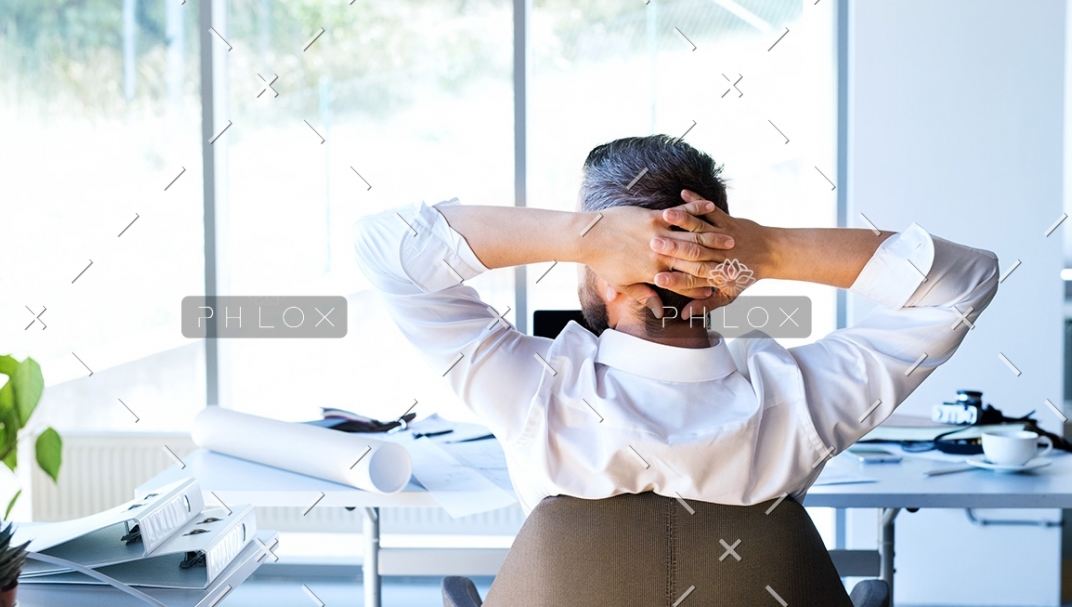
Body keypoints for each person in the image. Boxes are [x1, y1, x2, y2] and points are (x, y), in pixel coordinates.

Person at [354, 135, 998, 513]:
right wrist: (762, 249)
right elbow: (968, 282)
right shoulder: (806, 399)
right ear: (723, 278)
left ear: (600, 267)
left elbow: (385, 248)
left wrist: (585, 236)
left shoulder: (530, 391)